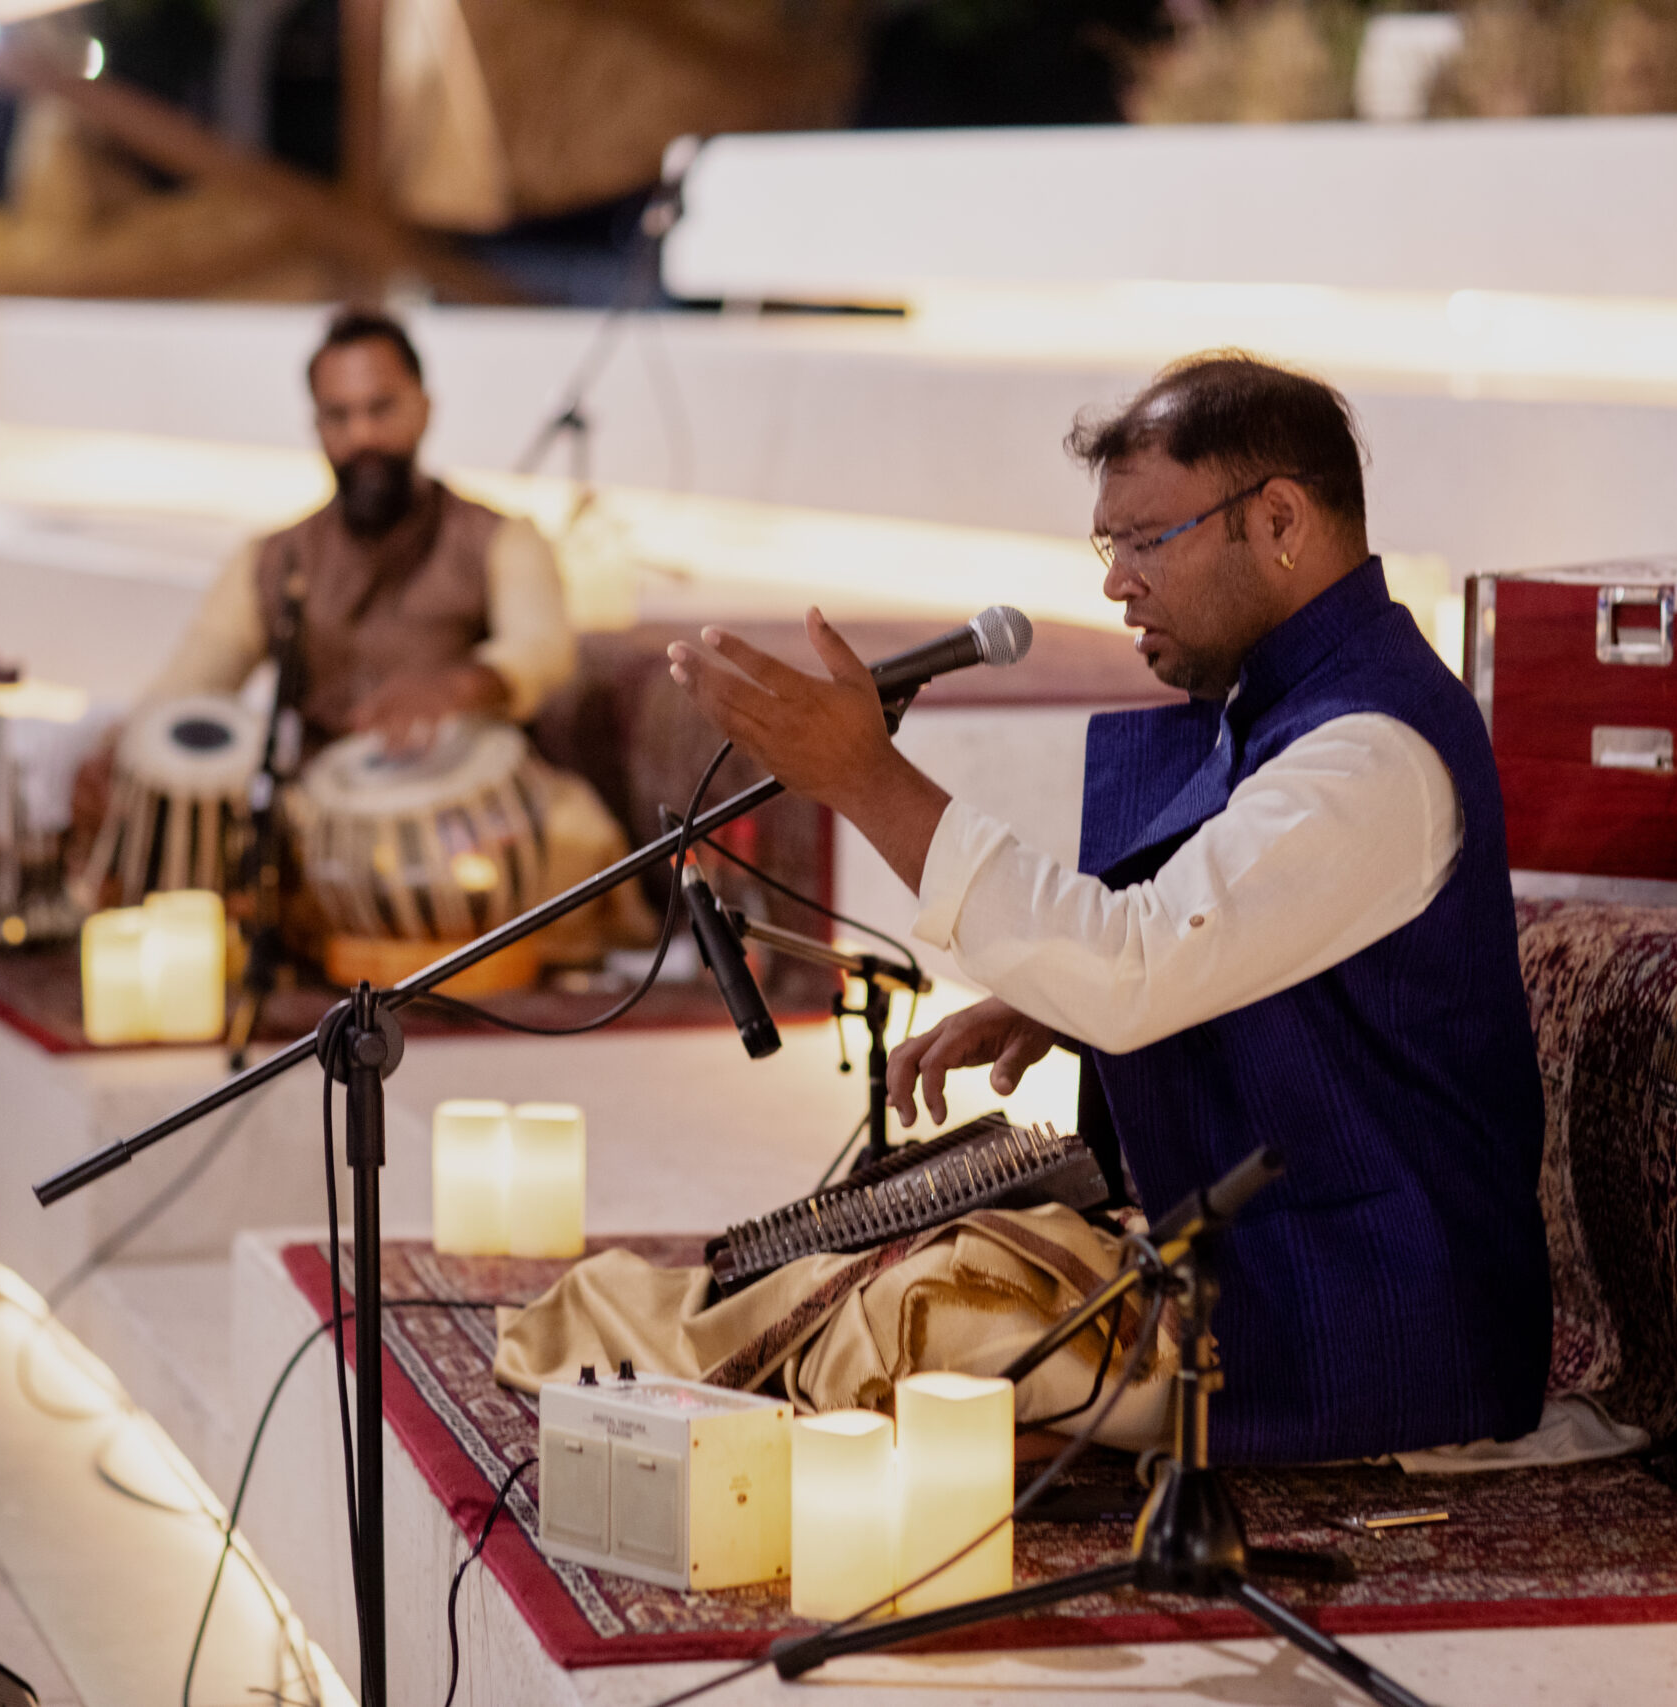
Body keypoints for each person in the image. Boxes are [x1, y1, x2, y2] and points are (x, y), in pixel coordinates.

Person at [666, 352, 1552, 1464]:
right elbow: (1229, 938)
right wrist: (1058, 1004)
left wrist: (865, 780)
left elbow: (1137, 966)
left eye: (1146, 540)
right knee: (833, 1282)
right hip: (1283, 1267)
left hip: (1370, 1314)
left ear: (1279, 519)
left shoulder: (1371, 752)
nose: (1115, 584)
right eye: (1109, 546)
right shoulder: (1299, 706)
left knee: (900, 1328)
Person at [79, 307, 643, 960]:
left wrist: (452, 689)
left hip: (459, 822)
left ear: (424, 409)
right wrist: (123, 746)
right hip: (317, 821)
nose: (362, 436)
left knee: (573, 837)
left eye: (381, 409)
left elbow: (541, 649)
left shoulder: (499, 539)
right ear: (317, 427)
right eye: (339, 417)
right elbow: (195, 675)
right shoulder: (274, 558)